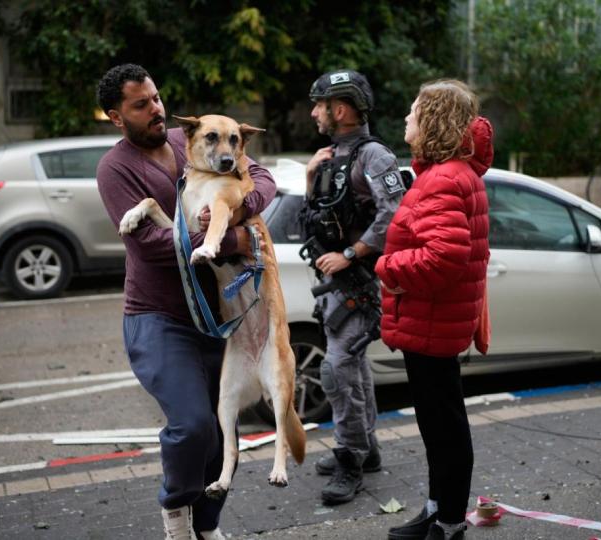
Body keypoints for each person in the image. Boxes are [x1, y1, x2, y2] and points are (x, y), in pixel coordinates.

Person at [95, 64, 275, 540]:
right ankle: (176, 513)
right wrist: (229, 241)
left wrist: (239, 216)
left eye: (155, 98)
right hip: (158, 318)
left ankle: (208, 525)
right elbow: (150, 245)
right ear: (117, 117)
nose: (156, 109)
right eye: (141, 104)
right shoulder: (115, 168)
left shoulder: (191, 138)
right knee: (194, 425)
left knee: (223, 429)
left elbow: (261, 177)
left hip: (217, 315)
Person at [375, 80, 493, 540]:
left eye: (413, 111)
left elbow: (445, 256)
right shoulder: (452, 172)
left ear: (433, 120)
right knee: (440, 423)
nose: (406, 119)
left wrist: (386, 266)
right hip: (436, 319)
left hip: (431, 321)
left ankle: (447, 523)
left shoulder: (444, 177)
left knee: (443, 426)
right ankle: (438, 511)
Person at [303, 69, 405, 504]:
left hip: (359, 281)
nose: (313, 113)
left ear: (339, 109)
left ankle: (350, 459)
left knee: (336, 368)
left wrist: (352, 253)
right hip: (334, 282)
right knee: (354, 366)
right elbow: (312, 219)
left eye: (319, 105)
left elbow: (395, 215)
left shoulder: (374, 157)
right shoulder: (329, 155)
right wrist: (310, 178)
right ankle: (368, 449)